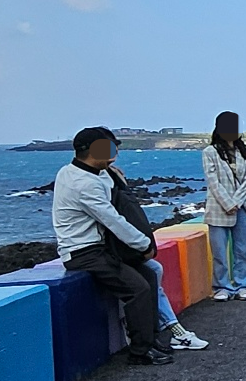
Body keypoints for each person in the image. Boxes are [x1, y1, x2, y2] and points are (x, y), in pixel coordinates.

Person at [52, 127, 169, 365]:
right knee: (137, 288)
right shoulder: (82, 184)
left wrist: (114, 176)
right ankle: (140, 352)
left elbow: (109, 188)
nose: (114, 151)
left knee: (149, 276)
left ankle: (152, 339)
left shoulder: (80, 172)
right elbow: (112, 219)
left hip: (100, 247)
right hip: (83, 251)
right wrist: (144, 244)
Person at [106, 165, 209, 350]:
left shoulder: (108, 186)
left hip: (118, 247)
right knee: (147, 277)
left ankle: (166, 326)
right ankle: (173, 329)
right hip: (110, 250)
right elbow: (117, 221)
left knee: (154, 270)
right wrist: (144, 245)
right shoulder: (104, 190)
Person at [202, 111, 246, 302]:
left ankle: (244, 284)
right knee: (219, 251)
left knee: (244, 249)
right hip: (218, 208)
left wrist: (236, 202)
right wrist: (228, 203)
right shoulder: (210, 152)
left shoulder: (245, 152)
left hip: (241, 205)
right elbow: (213, 181)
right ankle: (222, 286)